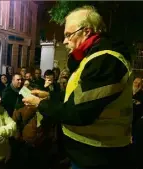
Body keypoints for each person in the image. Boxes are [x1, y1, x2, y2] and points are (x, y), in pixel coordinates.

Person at [23, 6, 133, 169]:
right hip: (87, 154)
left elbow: (77, 112)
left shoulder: (105, 61)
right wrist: (49, 96)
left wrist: (40, 104)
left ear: (86, 31)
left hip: (98, 156)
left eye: (68, 35)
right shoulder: (91, 58)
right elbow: (76, 98)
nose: (65, 41)